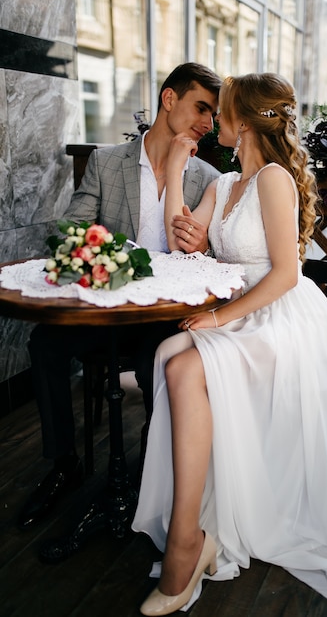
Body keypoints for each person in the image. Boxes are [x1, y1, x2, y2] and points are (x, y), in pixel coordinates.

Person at [132, 73, 327, 616]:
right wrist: (173, 165)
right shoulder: (222, 185)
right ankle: (193, 535)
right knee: (171, 359)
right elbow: (178, 243)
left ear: (243, 120)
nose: (215, 120)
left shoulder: (273, 179)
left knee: (186, 368)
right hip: (239, 310)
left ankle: (185, 546)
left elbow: (286, 274)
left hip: (280, 316)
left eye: (224, 111)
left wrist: (217, 317)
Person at [18, 62, 222, 531]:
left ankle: (150, 472)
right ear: (169, 99)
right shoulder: (108, 162)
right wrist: (115, 255)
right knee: (45, 344)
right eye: (201, 108)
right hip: (106, 311)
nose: (208, 124)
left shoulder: (207, 177)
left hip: (166, 319)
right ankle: (64, 463)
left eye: (214, 115)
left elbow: (200, 255)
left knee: (162, 364)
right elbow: (72, 228)